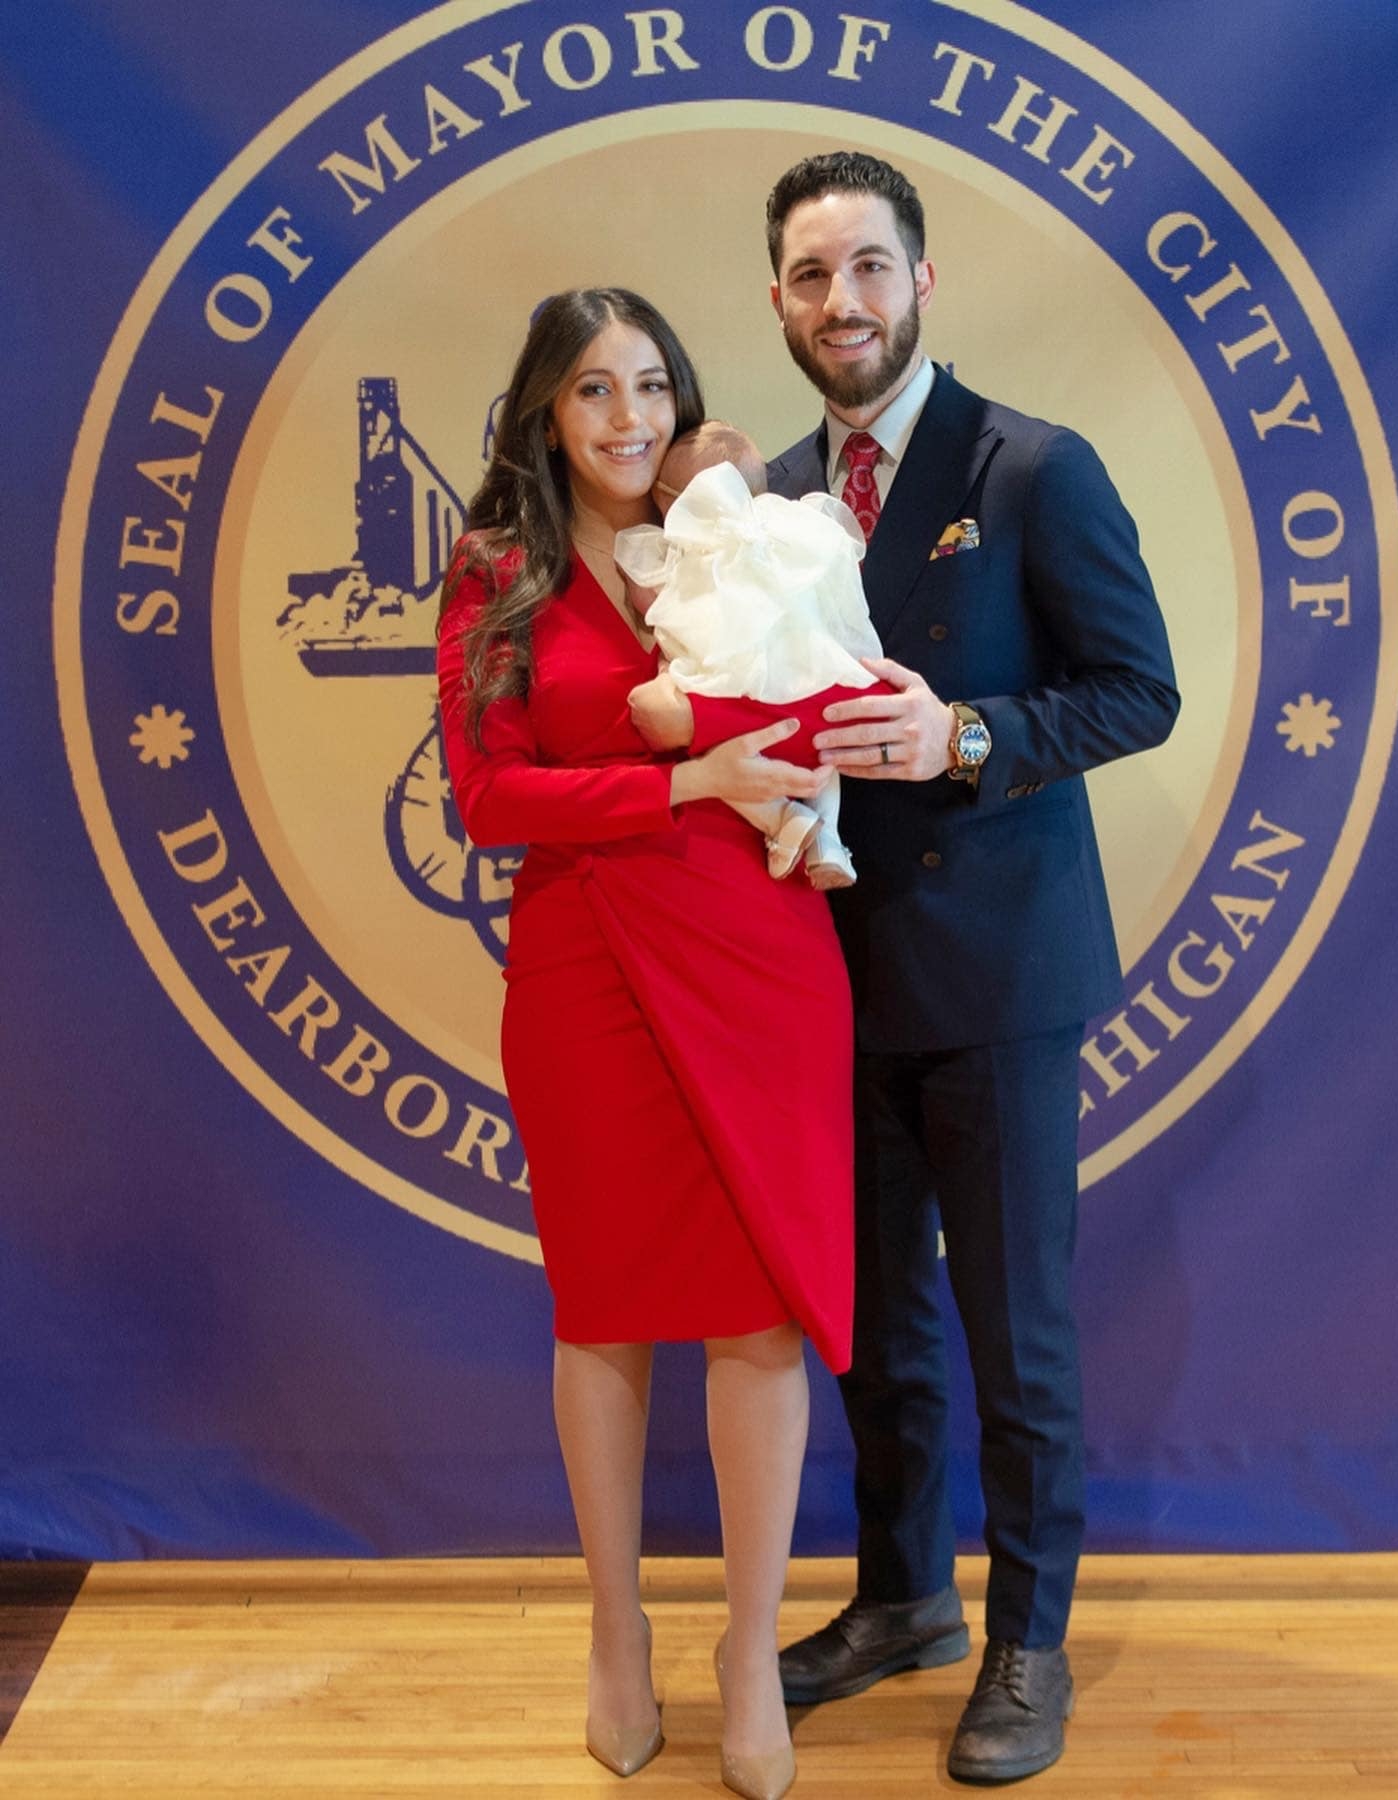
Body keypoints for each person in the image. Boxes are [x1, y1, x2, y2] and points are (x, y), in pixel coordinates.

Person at [636, 154, 1181, 1784]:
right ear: (782, 302)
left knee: (1016, 1334)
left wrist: (968, 735)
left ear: (921, 282)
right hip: (827, 978)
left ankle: (1026, 1639)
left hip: (1001, 979)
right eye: (809, 277)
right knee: (874, 1323)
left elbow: (1136, 690)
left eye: (868, 268)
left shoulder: (1032, 466)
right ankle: (900, 1600)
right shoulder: (769, 497)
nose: (841, 303)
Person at [436, 287, 856, 1800]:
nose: (629, 419)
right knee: (603, 1309)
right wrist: (677, 784)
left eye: (652, 387)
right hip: (585, 970)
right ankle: (618, 1633)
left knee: (756, 1309)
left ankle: (752, 1652)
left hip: (764, 956)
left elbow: (824, 698)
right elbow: (488, 801)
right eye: (596, 392)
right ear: (546, 411)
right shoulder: (496, 568)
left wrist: (793, 757)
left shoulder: (743, 530)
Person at [619, 419, 886, 888]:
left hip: (726, 687)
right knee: (825, 761)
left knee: (720, 761)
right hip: (806, 678)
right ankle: (829, 840)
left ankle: (781, 819)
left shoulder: (688, 545)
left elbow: (649, 604)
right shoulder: (793, 527)